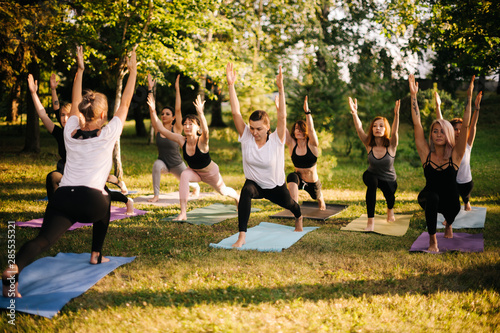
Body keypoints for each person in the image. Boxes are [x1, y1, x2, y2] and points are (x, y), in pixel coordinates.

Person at [2, 46, 137, 297]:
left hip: (63, 198)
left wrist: (80, 69)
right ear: (104, 114)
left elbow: (75, 102)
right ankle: (96, 254)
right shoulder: (108, 133)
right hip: (92, 202)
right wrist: (133, 72)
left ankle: (13, 273)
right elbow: (126, 101)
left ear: (81, 113)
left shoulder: (69, 131)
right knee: (105, 200)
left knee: (43, 240)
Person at [28, 73, 134, 214]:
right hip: (69, 174)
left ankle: (127, 200)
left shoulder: (87, 132)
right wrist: (35, 93)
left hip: (89, 174)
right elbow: (43, 114)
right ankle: (54, 210)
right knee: (53, 177)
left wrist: (79, 71)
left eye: (68, 115)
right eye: (62, 115)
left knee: (103, 192)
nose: (65, 118)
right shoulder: (62, 133)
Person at [226, 62, 302, 248]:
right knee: (245, 191)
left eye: (258, 128)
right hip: (255, 185)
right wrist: (230, 85)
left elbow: (282, 117)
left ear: (268, 127)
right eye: (252, 128)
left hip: (275, 187)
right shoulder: (246, 136)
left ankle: (299, 218)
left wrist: (281, 89)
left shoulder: (277, 139)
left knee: (291, 205)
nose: (254, 132)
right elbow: (235, 112)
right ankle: (242, 236)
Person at [147, 93, 239, 220]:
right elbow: (162, 130)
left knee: (223, 191)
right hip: (194, 172)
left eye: (191, 124)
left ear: (197, 128)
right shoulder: (181, 140)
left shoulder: (202, 141)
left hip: (210, 174)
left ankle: (237, 197)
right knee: (184, 174)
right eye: (185, 124)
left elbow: (206, 131)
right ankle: (183, 213)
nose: (187, 126)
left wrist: (200, 113)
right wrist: (152, 110)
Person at [409, 74, 473, 253]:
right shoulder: (426, 154)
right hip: (429, 196)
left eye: (442, 132)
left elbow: (466, 125)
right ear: (431, 135)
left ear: (449, 135)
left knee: (450, 214)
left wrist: (469, 98)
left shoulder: (456, 155)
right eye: (435, 131)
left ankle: (448, 224)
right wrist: (414, 96)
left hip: (451, 202)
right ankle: (432, 243)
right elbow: (417, 124)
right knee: (432, 197)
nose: (438, 134)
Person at [348, 97, 400, 231]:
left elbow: (395, 131)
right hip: (372, 175)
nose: (378, 128)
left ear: (385, 129)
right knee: (372, 183)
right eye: (375, 126)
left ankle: (390, 210)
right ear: (372, 129)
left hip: (388, 179)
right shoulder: (368, 143)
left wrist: (396, 114)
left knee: (390, 197)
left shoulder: (392, 144)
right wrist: (354, 113)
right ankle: (370, 222)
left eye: (381, 126)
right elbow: (359, 129)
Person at [147, 74, 200, 203]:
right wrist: (150, 89)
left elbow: (177, 109)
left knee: (189, 180)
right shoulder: (158, 129)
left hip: (177, 164)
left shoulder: (176, 128)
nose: (164, 115)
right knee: (156, 165)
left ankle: (196, 187)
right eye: (162, 114)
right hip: (163, 163)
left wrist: (177, 89)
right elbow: (152, 112)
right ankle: (156, 195)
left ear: (173, 117)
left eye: (167, 114)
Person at [435, 90, 482, 211]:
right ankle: (449, 214)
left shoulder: (467, 144)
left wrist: (476, 108)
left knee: (465, 196)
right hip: (452, 182)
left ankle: (466, 201)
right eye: (455, 129)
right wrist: (437, 106)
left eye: (461, 129)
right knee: (450, 197)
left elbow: (473, 125)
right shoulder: (448, 144)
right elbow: (441, 123)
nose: (458, 132)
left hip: (466, 181)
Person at [284, 96, 326, 210]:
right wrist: (280, 110)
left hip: (312, 181)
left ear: (305, 131)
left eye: (301, 129)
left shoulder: (312, 144)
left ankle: (321, 198)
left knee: (317, 197)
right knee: (291, 176)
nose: (298, 131)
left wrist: (307, 112)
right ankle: (295, 207)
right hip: (299, 179)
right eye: (296, 129)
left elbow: (311, 129)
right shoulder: (292, 144)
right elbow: (283, 128)